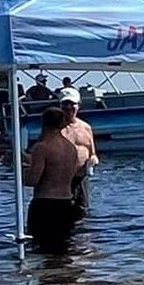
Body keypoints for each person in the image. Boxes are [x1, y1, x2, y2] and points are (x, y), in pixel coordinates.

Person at [23, 107, 79, 249]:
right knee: (63, 249)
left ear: (43, 123)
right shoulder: (71, 148)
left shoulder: (42, 147)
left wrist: (20, 171)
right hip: (66, 203)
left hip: (45, 204)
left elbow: (32, 180)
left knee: (41, 248)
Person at [57, 85, 98, 223]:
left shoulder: (86, 128)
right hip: (61, 181)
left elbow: (93, 153)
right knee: (63, 216)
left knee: (82, 213)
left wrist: (92, 162)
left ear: (78, 105)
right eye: (65, 105)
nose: (68, 108)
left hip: (81, 179)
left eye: (72, 104)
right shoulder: (54, 129)